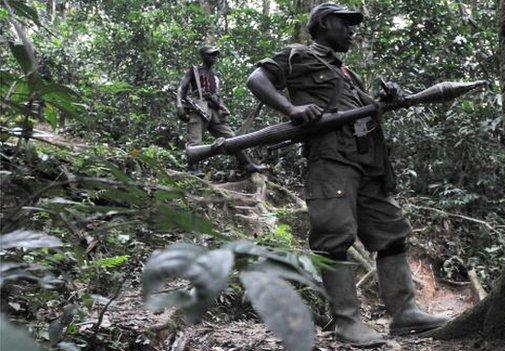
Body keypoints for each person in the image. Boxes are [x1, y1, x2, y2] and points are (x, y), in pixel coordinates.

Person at [246, 3, 449, 347]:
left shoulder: (346, 74)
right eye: (345, 24)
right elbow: (257, 79)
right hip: (331, 160)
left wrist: (387, 99)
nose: (352, 31)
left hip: (366, 163)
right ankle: (347, 323)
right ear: (324, 24)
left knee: (392, 232)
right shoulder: (298, 56)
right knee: (334, 236)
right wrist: (291, 108)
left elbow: (365, 109)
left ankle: (405, 314)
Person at [176, 46, 266, 175]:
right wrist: (179, 105)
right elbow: (181, 88)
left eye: (215, 55)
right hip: (199, 107)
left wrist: (222, 106)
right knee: (195, 140)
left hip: (215, 110)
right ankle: (192, 169)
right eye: (210, 54)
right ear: (203, 56)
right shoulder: (195, 70)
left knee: (232, 138)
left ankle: (246, 164)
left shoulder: (215, 75)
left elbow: (216, 94)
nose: (213, 57)